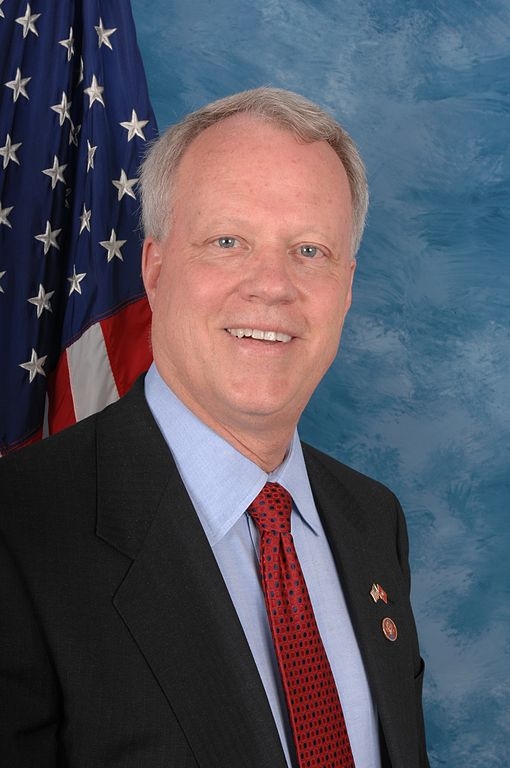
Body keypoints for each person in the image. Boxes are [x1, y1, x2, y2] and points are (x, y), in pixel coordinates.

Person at [0, 87, 429, 768]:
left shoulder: (373, 520)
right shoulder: (22, 529)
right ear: (156, 268)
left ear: (347, 286)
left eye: (310, 250)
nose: (272, 286)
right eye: (228, 242)